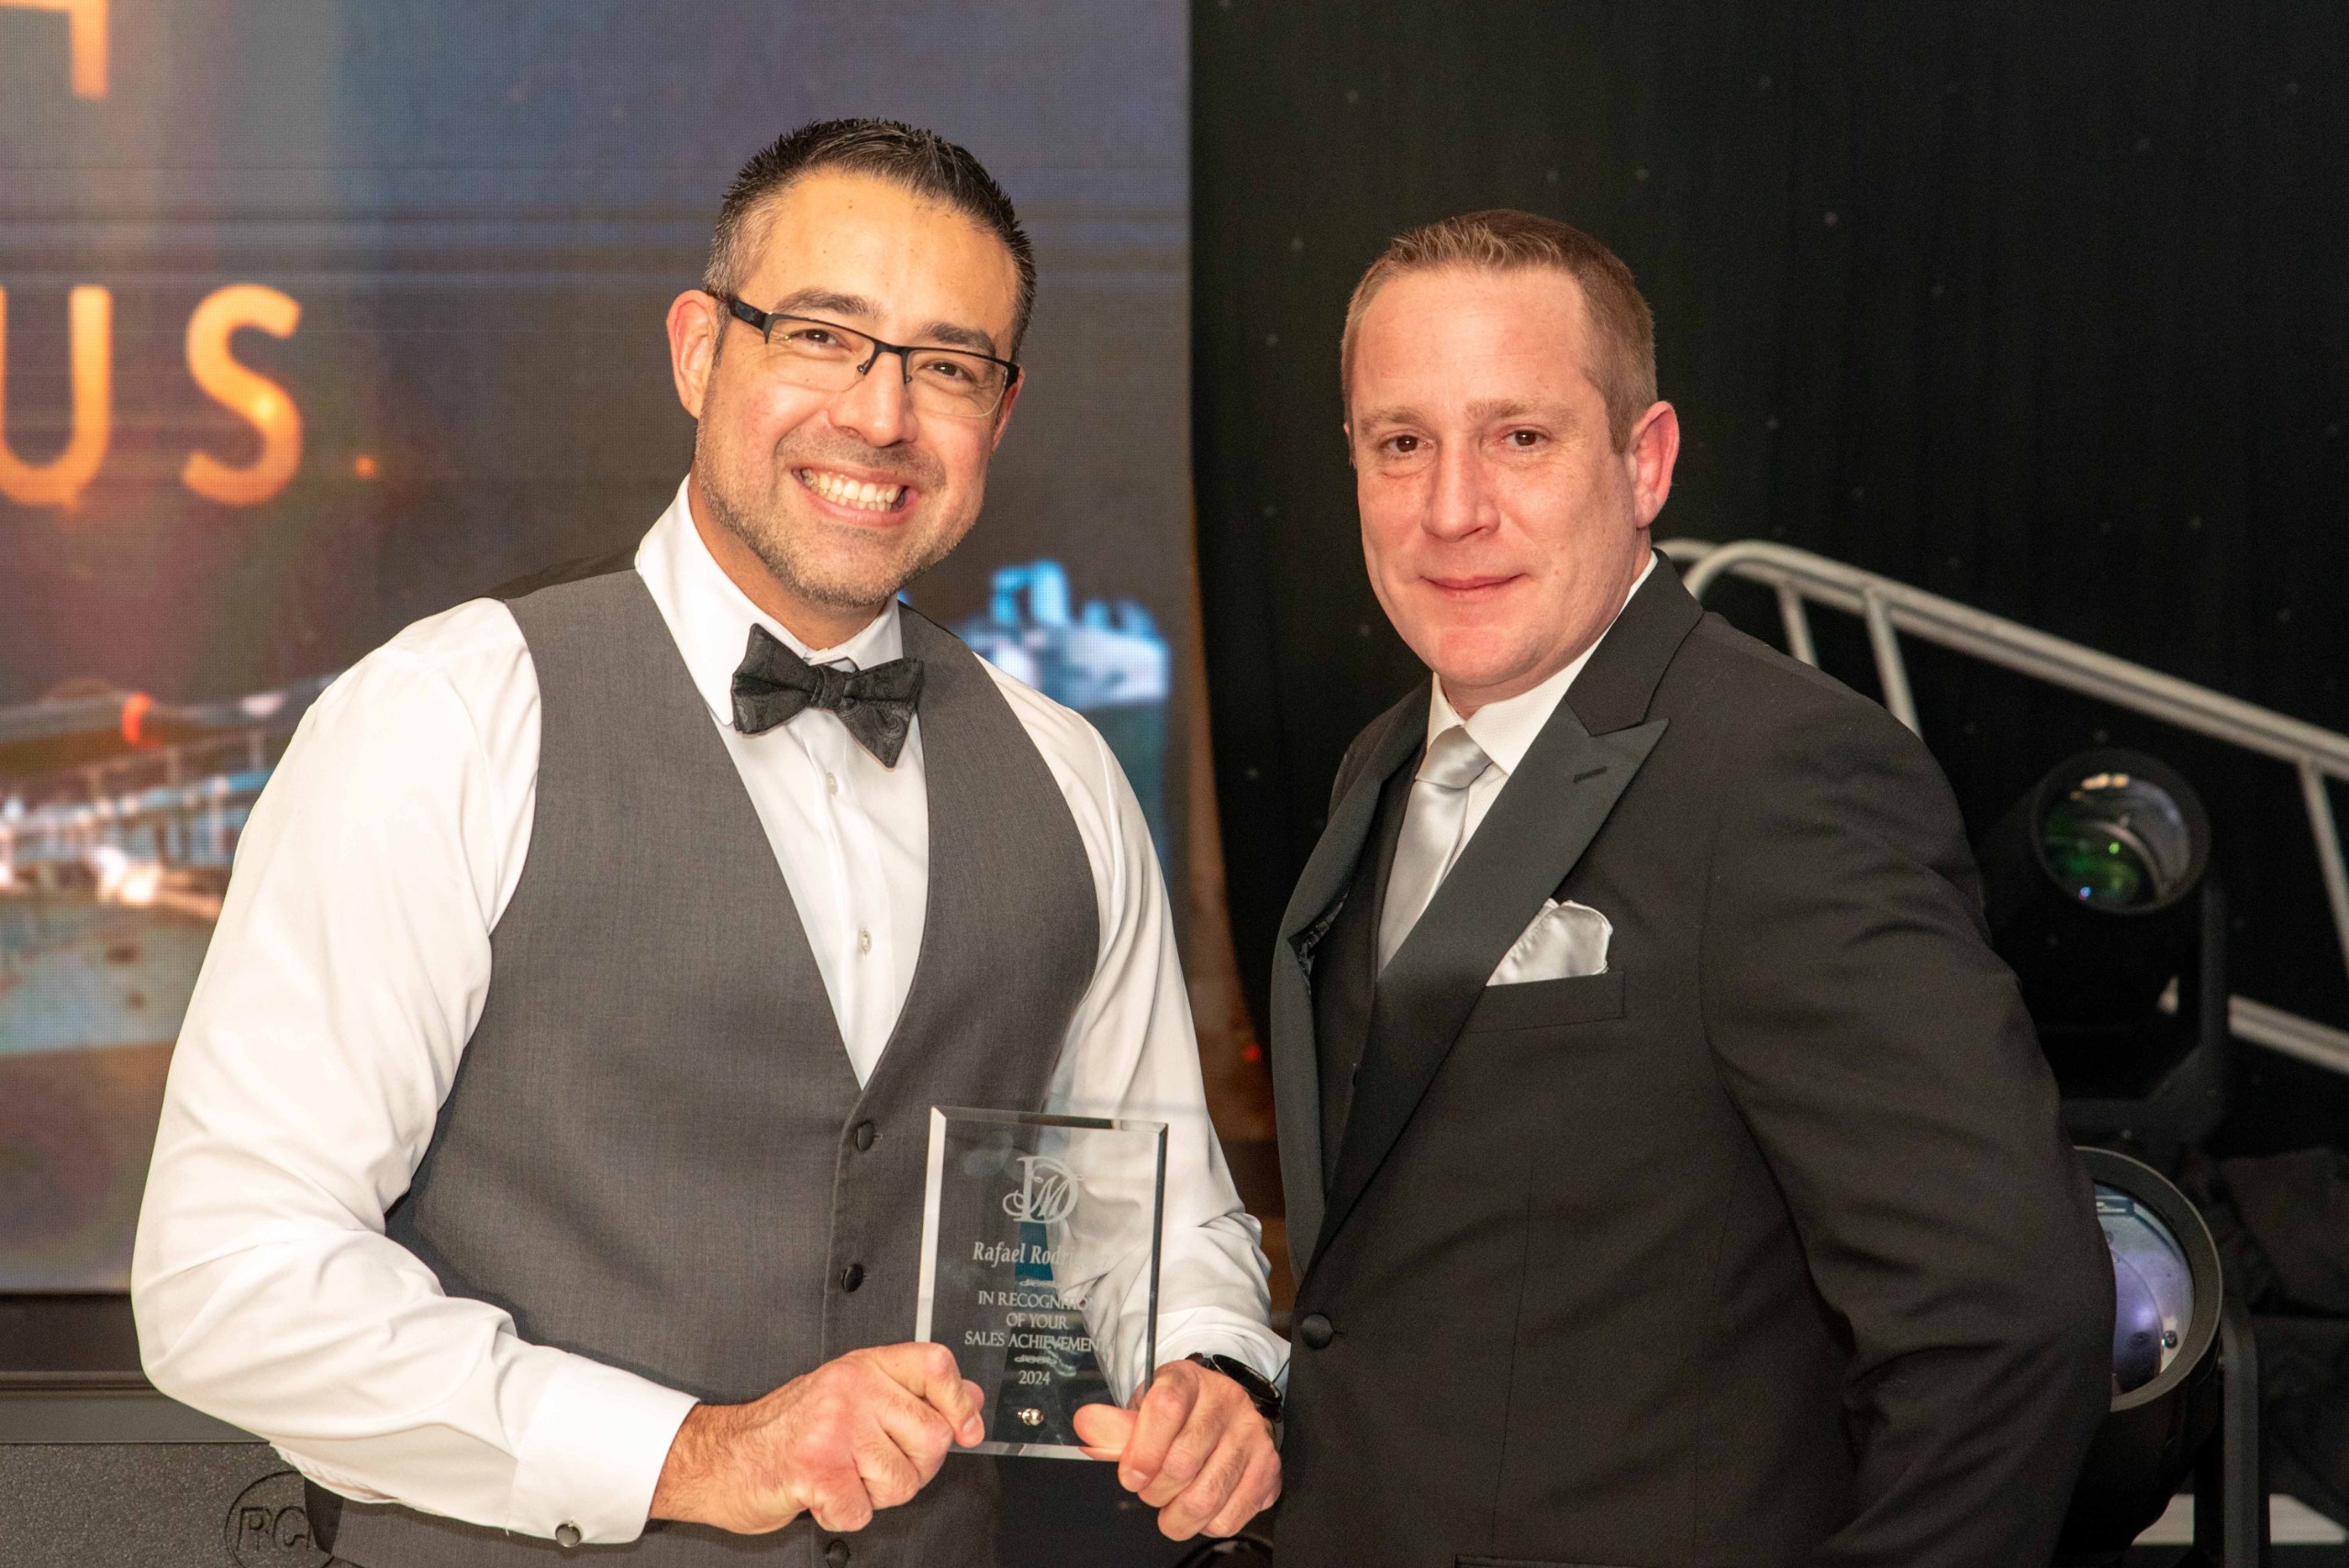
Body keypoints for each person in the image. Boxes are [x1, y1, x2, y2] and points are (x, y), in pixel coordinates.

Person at [131, 119, 1283, 1567]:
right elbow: (228, 1276)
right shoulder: (448, 718)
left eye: (947, 364)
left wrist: (1211, 1368)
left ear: (1001, 413)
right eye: (822, 335)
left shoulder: (1069, 780)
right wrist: (695, 1452)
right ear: (697, 350)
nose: (880, 415)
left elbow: (1151, 1220)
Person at [1265, 209, 2114, 1566]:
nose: (1451, 508)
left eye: (1520, 437)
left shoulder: (1784, 776)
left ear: (1645, 462)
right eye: (1401, 443)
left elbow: (2009, 1321)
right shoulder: (1380, 764)